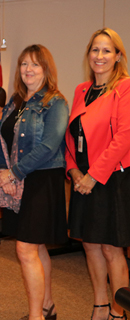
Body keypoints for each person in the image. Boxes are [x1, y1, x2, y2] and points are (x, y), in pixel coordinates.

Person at [0, 44, 69, 320]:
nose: (28, 69)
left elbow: (50, 146)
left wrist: (14, 172)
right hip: (16, 180)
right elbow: (3, 142)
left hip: (41, 181)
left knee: (25, 248)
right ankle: (47, 307)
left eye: (35, 64)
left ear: (46, 69)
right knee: (35, 246)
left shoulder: (55, 102)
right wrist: (3, 175)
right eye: (24, 63)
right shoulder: (15, 101)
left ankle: (36, 316)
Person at [65, 28, 130, 320]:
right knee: (90, 244)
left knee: (111, 249)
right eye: (95, 49)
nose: (99, 56)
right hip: (83, 180)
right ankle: (101, 306)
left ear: (118, 56)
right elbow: (71, 137)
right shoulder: (82, 89)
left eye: (107, 50)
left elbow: (125, 137)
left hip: (111, 180)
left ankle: (119, 311)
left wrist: (93, 175)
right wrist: (74, 171)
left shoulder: (125, 88)